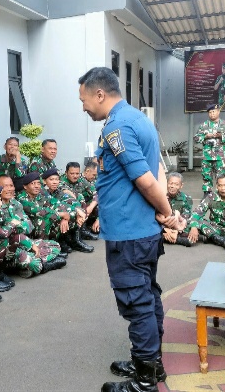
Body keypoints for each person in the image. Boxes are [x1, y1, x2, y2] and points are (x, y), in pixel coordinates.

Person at [78, 67, 183, 392]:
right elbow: (160, 168)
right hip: (141, 231)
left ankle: (144, 381)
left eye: (83, 100)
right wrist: (165, 214)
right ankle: (150, 363)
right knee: (148, 297)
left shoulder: (118, 127)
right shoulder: (138, 119)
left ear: (99, 94)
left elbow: (145, 179)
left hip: (130, 234)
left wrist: (167, 213)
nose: (83, 107)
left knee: (138, 305)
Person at [42, 168, 93, 253]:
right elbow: (56, 205)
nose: (55, 182)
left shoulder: (57, 191)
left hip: (58, 214)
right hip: (43, 221)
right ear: (44, 181)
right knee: (65, 216)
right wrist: (70, 213)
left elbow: (71, 200)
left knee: (75, 214)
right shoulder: (42, 192)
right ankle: (57, 244)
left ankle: (74, 241)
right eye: (51, 179)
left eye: (57, 179)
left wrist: (77, 211)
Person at [194, 103, 225, 195]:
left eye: (214, 112)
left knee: (221, 176)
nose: (212, 114)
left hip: (220, 156)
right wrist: (205, 136)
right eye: (210, 112)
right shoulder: (204, 125)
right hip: (207, 156)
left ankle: (221, 194)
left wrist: (221, 136)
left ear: (218, 112)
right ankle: (207, 194)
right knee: (206, 175)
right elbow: (196, 138)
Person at [61, 161, 99, 240]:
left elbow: (96, 193)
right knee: (79, 199)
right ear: (66, 173)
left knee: (97, 202)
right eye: (72, 173)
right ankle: (74, 238)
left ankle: (84, 230)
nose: (75, 176)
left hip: (81, 208)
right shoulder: (61, 181)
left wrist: (91, 207)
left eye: (77, 173)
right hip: (66, 207)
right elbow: (70, 196)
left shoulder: (81, 180)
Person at [163, 172, 195, 247]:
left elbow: (186, 216)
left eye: (176, 184)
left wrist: (176, 229)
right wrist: (164, 229)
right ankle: (178, 239)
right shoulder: (161, 197)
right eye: (170, 183)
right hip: (164, 224)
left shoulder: (187, 198)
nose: (172, 186)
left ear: (181, 186)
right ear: (166, 183)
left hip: (180, 225)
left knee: (195, 224)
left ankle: (168, 237)